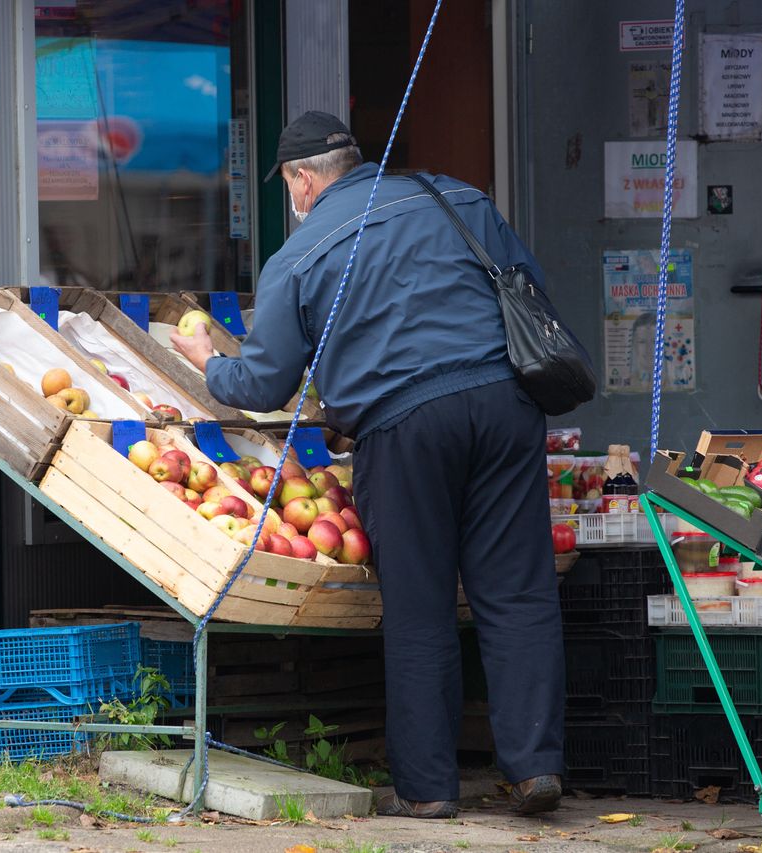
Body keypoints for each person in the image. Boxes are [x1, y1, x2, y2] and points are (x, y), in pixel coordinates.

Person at [171, 111, 565, 819]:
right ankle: (535, 767)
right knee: (517, 592)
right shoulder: (457, 197)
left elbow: (263, 386)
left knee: (419, 607)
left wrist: (211, 364)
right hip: (504, 405)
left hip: (405, 424)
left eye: (288, 185)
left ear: (301, 180)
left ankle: (429, 788)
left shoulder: (299, 253)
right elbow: (531, 289)